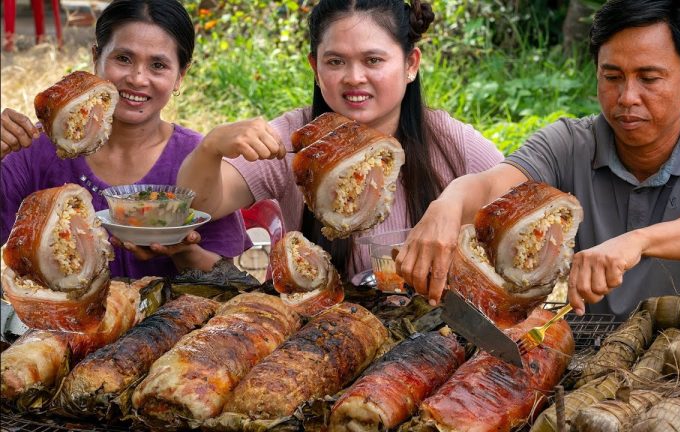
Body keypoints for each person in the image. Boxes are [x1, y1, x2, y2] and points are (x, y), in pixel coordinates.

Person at [395, 0, 680, 320]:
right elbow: (492, 184)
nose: (627, 97)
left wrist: (636, 242)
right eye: (612, 76)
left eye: (649, 79)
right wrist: (449, 204)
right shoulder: (569, 144)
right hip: (594, 362)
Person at [176, 0, 504, 279]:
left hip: (435, 328)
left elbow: (521, 202)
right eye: (335, 62)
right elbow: (195, 207)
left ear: (411, 64)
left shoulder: (452, 143)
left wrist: (458, 204)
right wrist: (211, 147)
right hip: (325, 327)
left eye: (373, 60)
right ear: (315, 68)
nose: (354, 77)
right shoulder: (291, 139)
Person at [0, 0, 251, 279]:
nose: (137, 78)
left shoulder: (198, 159)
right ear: (96, 58)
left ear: (180, 76)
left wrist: (180, 250)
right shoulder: (37, 147)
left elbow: (226, 284)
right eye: (123, 59)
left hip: (167, 309)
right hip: (51, 309)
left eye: (158, 65)